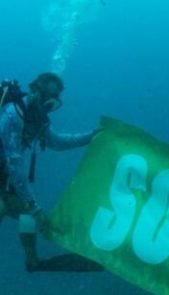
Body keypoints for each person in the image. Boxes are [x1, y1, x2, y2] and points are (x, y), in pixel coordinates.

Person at [0, 72, 102, 272]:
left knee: (28, 216)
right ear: (34, 90)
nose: (48, 104)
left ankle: (33, 262)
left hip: (3, 177)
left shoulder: (39, 121)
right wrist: (34, 205)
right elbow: (14, 164)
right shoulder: (13, 114)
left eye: (53, 100)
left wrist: (91, 137)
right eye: (47, 97)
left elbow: (57, 142)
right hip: (6, 174)